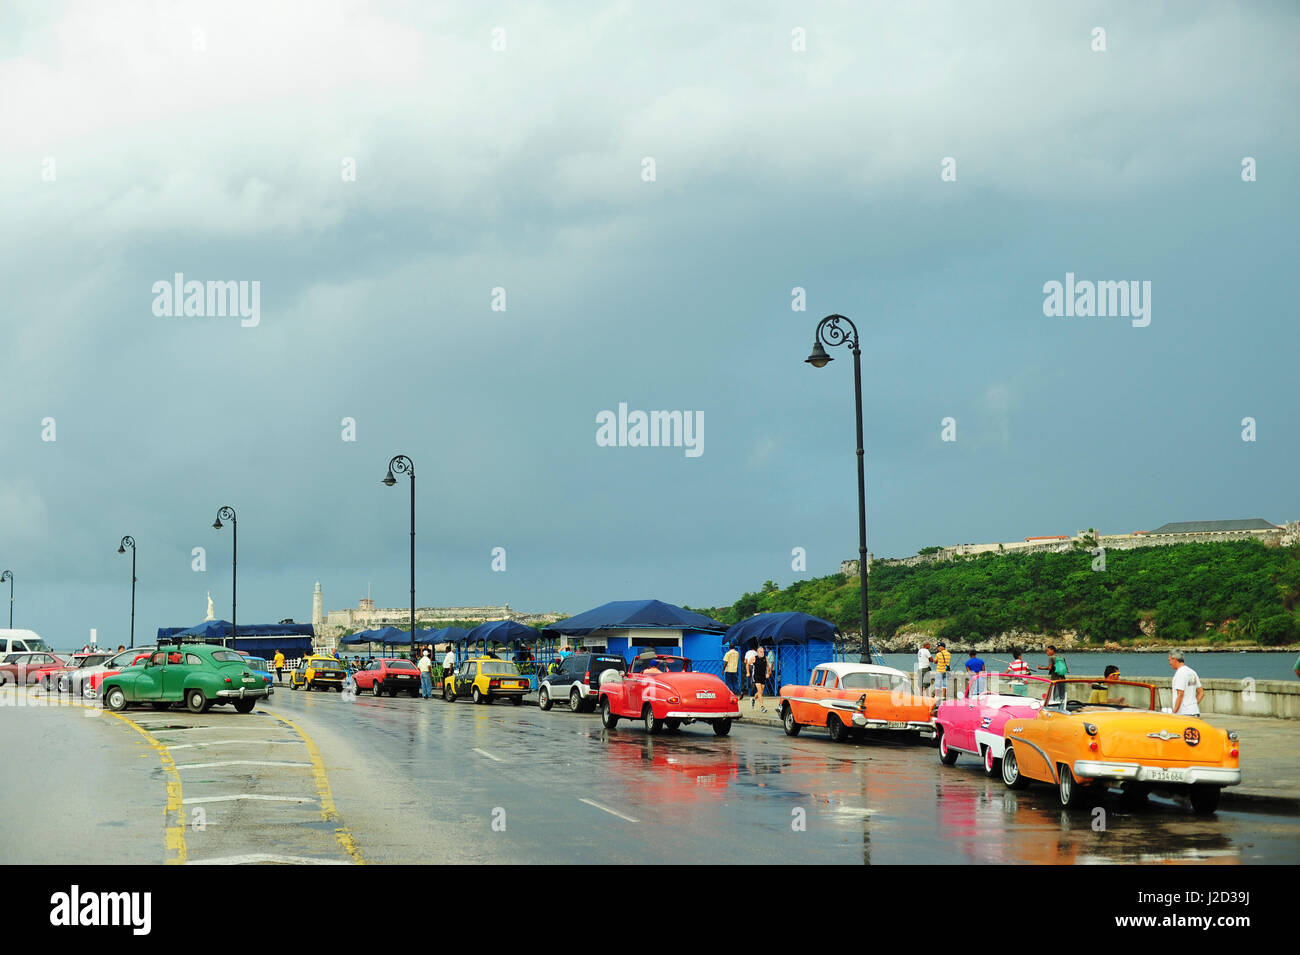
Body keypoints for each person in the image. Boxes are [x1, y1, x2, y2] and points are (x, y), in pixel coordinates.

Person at [1169, 650, 1204, 716]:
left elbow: (1180, 694)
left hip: (1183, 713)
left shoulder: (1180, 673)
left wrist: (1173, 713)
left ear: (1174, 659)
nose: (1169, 663)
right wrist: (1193, 705)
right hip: (1194, 711)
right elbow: (1201, 693)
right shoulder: (1192, 672)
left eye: (1169, 660)